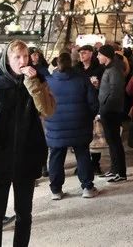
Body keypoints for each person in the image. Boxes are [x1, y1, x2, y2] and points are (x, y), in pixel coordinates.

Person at [0, 41, 55, 247]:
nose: (22, 61)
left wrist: (33, 83)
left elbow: (48, 110)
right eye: (17, 57)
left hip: (27, 157)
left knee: (24, 214)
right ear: (7, 60)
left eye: (25, 56)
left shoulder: (38, 80)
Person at [45, 53, 100, 199]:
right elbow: (93, 102)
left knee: (56, 156)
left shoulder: (49, 81)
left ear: (56, 64)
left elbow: (42, 103)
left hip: (55, 124)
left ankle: (56, 190)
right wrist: (89, 116)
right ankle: (87, 187)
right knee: (82, 154)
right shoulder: (82, 79)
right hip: (79, 122)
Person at [97, 44, 127, 183]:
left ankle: (121, 172)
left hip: (111, 111)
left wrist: (106, 107)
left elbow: (116, 92)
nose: (97, 57)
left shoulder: (114, 69)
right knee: (111, 141)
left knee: (115, 141)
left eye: (99, 54)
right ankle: (114, 169)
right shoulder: (110, 68)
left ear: (106, 56)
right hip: (108, 109)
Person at [77, 44, 105, 174]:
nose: (82, 55)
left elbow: (104, 86)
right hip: (80, 104)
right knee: (82, 136)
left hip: (94, 104)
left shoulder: (99, 69)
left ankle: (95, 163)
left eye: (84, 52)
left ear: (91, 54)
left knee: (96, 134)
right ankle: (83, 163)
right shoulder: (76, 69)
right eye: (80, 53)